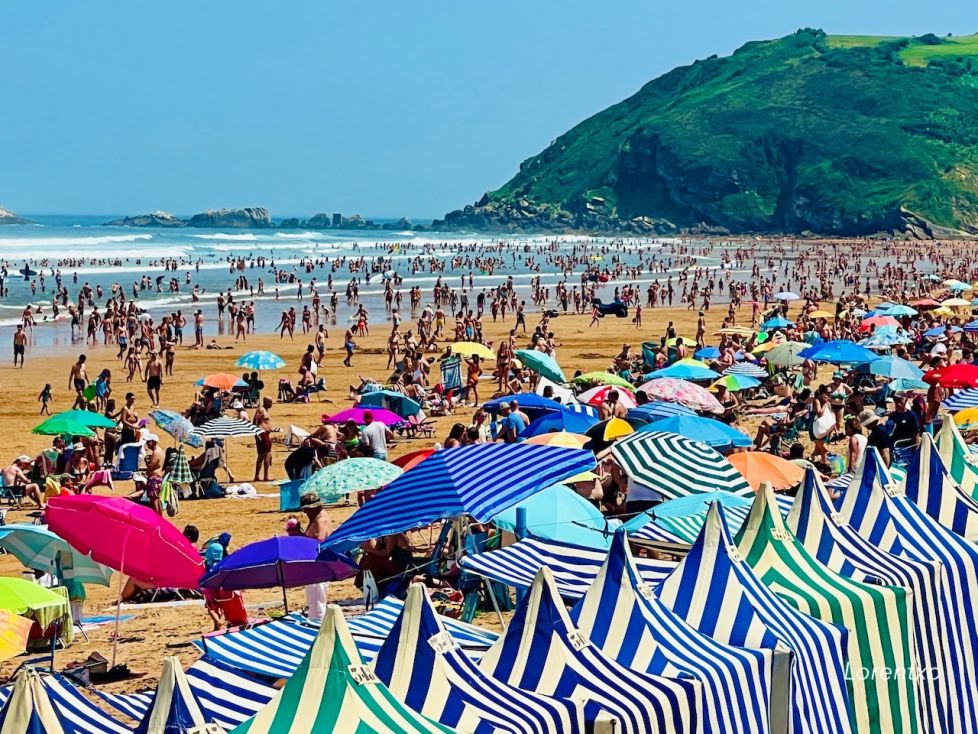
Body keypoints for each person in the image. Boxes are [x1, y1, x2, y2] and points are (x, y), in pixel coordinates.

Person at [300, 492, 334, 621]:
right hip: (316, 564)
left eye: (307, 510)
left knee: (317, 598)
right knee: (316, 597)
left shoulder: (321, 520)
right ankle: (317, 621)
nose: (305, 513)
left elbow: (318, 541)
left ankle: (318, 624)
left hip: (318, 564)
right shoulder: (318, 518)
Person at [252, 397, 274, 482]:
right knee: (267, 454)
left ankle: (257, 476)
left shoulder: (265, 410)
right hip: (261, 433)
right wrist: (256, 434)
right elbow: (255, 421)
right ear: (265, 402)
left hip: (265, 434)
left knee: (261, 456)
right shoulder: (261, 410)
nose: (271, 404)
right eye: (270, 402)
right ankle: (266, 476)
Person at [143, 433, 165, 515]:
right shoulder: (160, 451)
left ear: (153, 442)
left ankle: (157, 519)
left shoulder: (156, 452)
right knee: (157, 499)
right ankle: (160, 518)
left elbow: (151, 466)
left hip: (154, 478)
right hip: (158, 478)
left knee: (154, 500)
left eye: (148, 442)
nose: (147, 444)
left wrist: (147, 460)